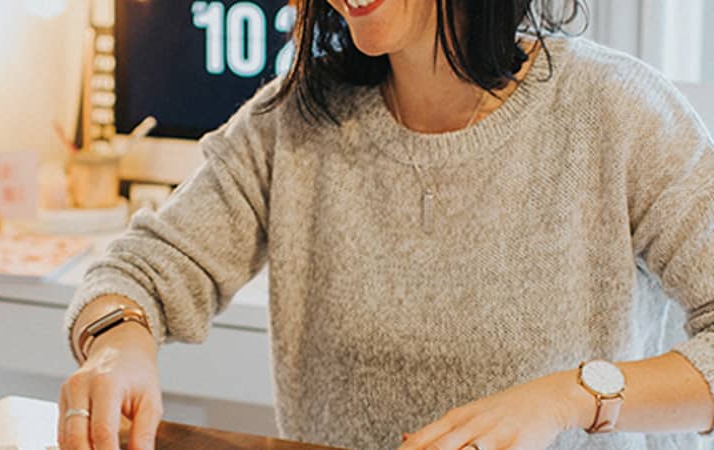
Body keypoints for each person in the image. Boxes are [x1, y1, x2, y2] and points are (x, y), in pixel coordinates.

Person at [57, 0, 714, 449]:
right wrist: (118, 342)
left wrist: (568, 397)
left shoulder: (618, 113)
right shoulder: (293, 125)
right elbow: (137, 273)